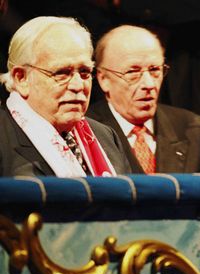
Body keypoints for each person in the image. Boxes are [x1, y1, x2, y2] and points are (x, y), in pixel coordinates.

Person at [0, 16, 131, 177]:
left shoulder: (106, 137)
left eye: (84, 72)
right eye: (61, 73)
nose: (78, 86)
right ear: (22, 78)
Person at [88, 25, 200, 173]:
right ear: (104, 79)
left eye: (155, 70)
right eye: (133, 72)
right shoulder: (85, 133)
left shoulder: (195, 130)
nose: (149, 84)